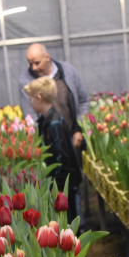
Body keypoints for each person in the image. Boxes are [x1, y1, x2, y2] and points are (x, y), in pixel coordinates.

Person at [24, 76, 82, 223]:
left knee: (69, 218)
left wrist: (57, 185)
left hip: (64, 183)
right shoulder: (46, 121)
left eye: (31, 98)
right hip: (60, 181)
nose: (30, 102)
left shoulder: (54, 123)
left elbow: (62, 156)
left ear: (39, 98)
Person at [19, 43, 89, 150]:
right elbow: (30, 117)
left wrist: (79, 129)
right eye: (30, 64)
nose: (34, 68)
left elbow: (83, 101)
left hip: (74, 138)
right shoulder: (26, 80)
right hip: (49, 145)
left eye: (37, 63)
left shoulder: (67, 70)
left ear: (47, 57)